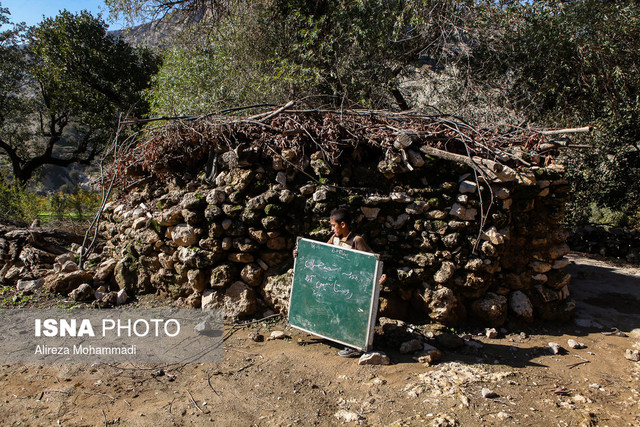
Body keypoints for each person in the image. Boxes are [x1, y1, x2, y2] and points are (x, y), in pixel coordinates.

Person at [326, 207, 387, 357]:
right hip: (338, 284)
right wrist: (299, 254)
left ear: (343, 224)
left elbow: (373, 262)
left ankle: (355, 346)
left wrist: (380, 277)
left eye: (334, 225)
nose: (332, 228)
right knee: (341, 312)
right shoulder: (334, 239)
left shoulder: (356, 240)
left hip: (354, 286)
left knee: (354, 313)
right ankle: (343, 338)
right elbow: (322, 253)